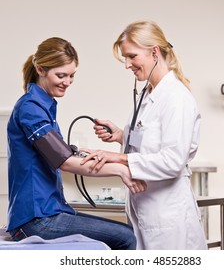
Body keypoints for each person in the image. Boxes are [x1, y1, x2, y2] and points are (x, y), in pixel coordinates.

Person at [6, 37, 147, 250]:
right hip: (36, 220)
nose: (67, 81)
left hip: (48, 212)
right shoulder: (31, 108)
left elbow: (61, 154)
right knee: (126, 237)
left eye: (72, 75)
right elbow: (64, 162)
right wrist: (120, 169)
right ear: (40, 69)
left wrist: (86, 152)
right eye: (61, 75)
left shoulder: (43, 107)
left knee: (126, 233)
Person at [81, 20, 208, 250]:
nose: (127, 65)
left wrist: (117, 158)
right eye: (125, 58)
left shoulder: (175, 98)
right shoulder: (149, 94)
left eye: (132, 56)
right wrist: (120, 135)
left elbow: (173, 161)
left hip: (167, 215)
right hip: (146, 210)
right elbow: (150, 143)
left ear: (154, 52)